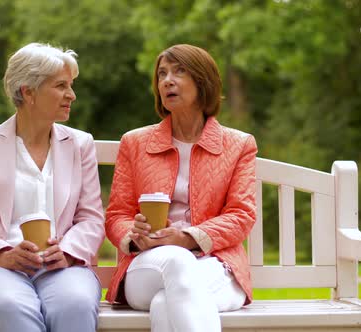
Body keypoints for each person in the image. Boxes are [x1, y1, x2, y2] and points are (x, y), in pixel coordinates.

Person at [0, 42, 105, 332]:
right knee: (13, 304)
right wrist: (1, 253)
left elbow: (91, 219)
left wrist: (67, 252)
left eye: (70, 85)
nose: (72, 95)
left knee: (76, 304)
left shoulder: (80, 144)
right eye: (60, 86)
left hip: (61, 267)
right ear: (28, 91)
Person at [105, 44, 258, 331]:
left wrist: (187, 238)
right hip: (148, 265)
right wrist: (135, 236)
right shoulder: (135, 143)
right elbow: (117, 215)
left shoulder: (238, 145)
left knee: (166, 304)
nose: (167, 80)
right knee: (176, 262)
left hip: (217, 266)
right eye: (161, 74)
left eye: (179, 72)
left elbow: (241, 214)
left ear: (203, 82)